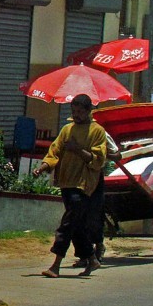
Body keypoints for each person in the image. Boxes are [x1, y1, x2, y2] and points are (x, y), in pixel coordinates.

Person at [33, 93, 107, 278]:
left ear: (89, 111)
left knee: (67, 224)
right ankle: (91, 259)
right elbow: (54, 151)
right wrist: (42, 168)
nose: (77, 115)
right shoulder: (67, 130)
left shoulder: (97, 131)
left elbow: (98, 159)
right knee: (77, 225)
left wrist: (78, 150)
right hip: (66, 182)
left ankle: (56, 265)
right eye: (74, 111)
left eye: (80, 112)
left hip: (84, 185)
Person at [73, 131, 121, 268]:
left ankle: (98, 246)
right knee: (76, 216)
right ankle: (83, 254)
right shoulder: (71, 131)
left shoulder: (100, 133)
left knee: (94, 214)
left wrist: (102, 156)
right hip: (75, 176)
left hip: (94, 176)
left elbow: (118, 155)